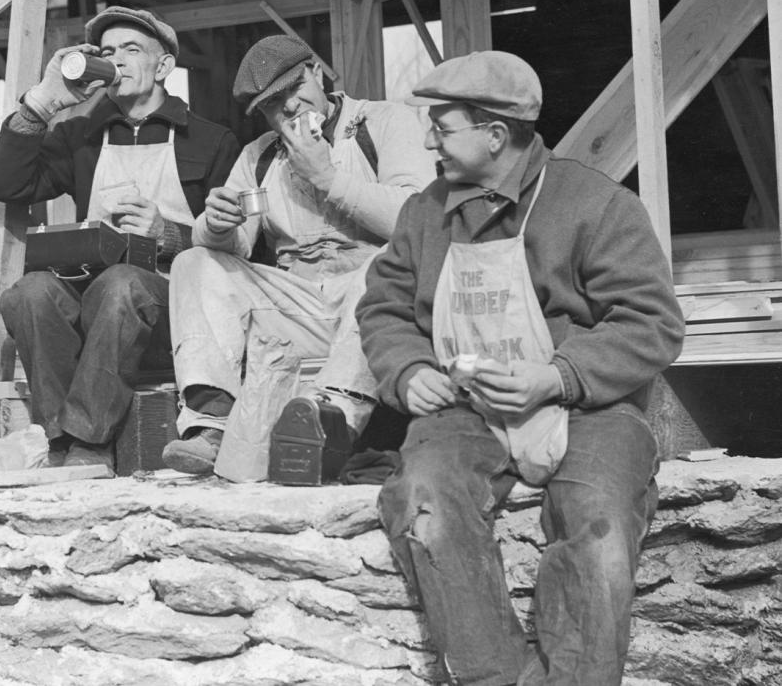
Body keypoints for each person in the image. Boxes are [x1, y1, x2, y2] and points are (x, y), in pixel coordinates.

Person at [356, 50, 684, 685]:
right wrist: (407, 369)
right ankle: (501, 677)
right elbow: (384, 309)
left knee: (601, 528)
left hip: (589, 408)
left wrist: (558, 375)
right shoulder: (425, 212)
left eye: (442, 128)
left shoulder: (595, 203)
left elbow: (653, 322)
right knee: (425, 503)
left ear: (496, 135)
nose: (429, 142)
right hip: (464, 409)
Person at [0, 6, 240, 471]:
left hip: (174, 318)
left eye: (131, 49)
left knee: (123, 282)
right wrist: (41, 103)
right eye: (107, 52)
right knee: (28, 293)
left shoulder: (210, 140)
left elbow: (242, 251)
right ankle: (58, 443)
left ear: (163, 67)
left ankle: (89, 445)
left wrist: (170, 235)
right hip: (96, 307)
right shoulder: (80, 135)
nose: (116, 60)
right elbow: (3, 185)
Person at [163, 34, 436, 475]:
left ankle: (331, 422)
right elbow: (235, 245)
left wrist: (327, 177)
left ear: (315, 72)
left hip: (376, 300)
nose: (288, 108)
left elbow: (417, 222)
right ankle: (210, 423)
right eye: (272, 105)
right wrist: (216, 226)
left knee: (387, 261)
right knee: (193, 261)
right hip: (299, 303)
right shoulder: (260, 156)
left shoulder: (383, 121)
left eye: (293, 89)